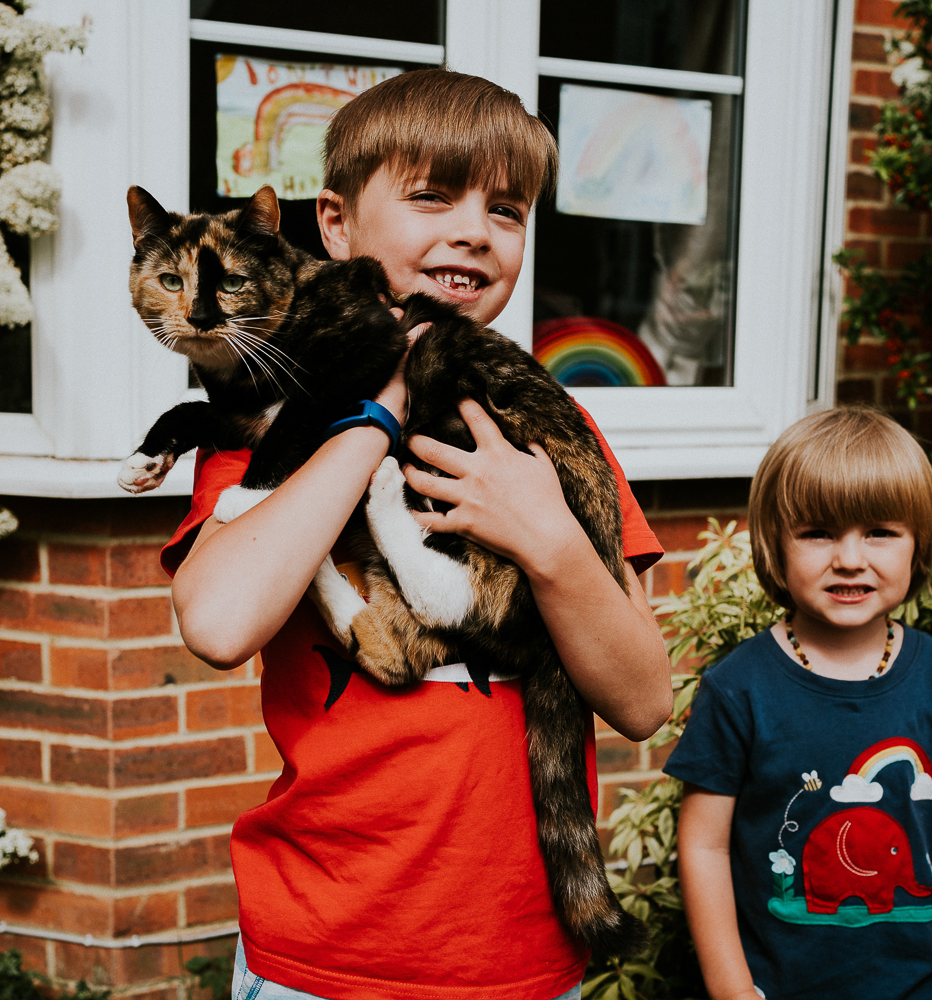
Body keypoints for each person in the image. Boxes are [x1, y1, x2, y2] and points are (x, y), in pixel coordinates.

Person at [160, 69, 673, 1000]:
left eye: (506, 210)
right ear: (335, 223)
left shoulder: (542, 430)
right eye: (432, 196)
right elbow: (220, 623)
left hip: (519, 961)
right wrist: (376, 413)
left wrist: (549, 538)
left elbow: (642, 700)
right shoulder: (271, 424)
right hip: (324, 953)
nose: (474, 230)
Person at [666, 407, 932, 1000]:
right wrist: (733, 992)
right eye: (818, 532)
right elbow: (704, 846)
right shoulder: (738, 688)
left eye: (880, 532)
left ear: (919, 543)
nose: (849, 558)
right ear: (775, 544)